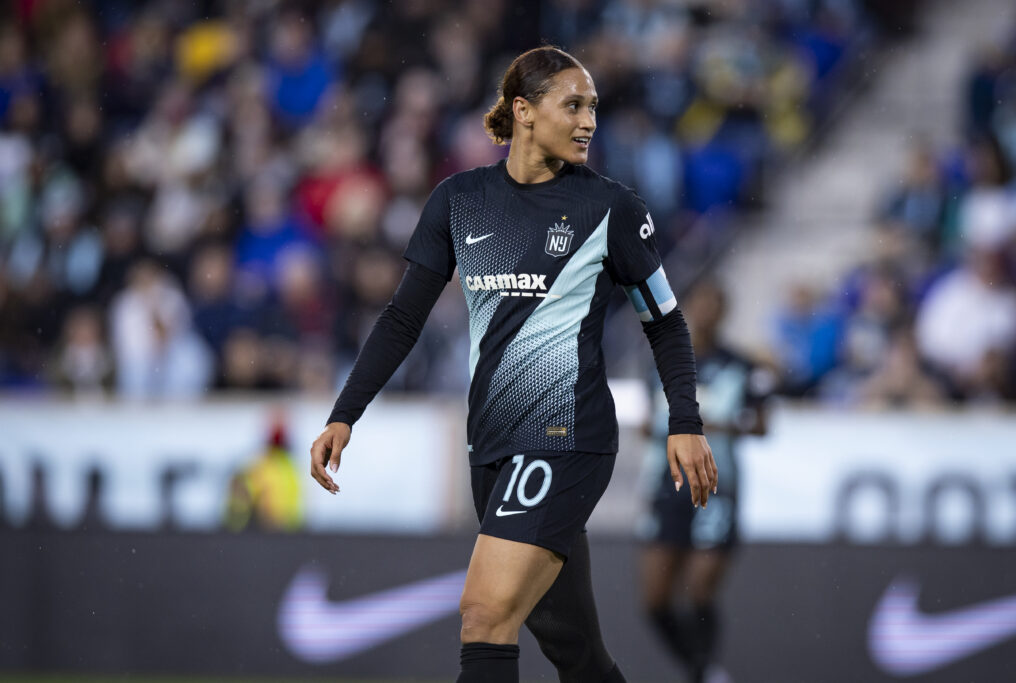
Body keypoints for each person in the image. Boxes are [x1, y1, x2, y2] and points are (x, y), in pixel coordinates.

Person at [309, 46, 717, 683]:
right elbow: (401, 319)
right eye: (572, 105)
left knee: (483, 614)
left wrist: (685, 421)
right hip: (491, 444)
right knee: (574, 649)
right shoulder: (460, 200)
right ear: (523, 112)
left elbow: (665, 323)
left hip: (566, 439)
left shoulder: (610, 210)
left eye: (593, 109)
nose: (588, 122)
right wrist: (345, 413)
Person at [639, 279, 772, 683]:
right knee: (655, 600)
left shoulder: (744, 367)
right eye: (701, 302)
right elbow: (647, 424)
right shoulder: (661, 362)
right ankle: (701, 671)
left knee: (699, 590)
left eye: (716, 303)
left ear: (725, 311)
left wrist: (713, 428)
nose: (707, 311)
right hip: (668, 484)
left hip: (718, 487)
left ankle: (702, 673)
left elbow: (762, 426)